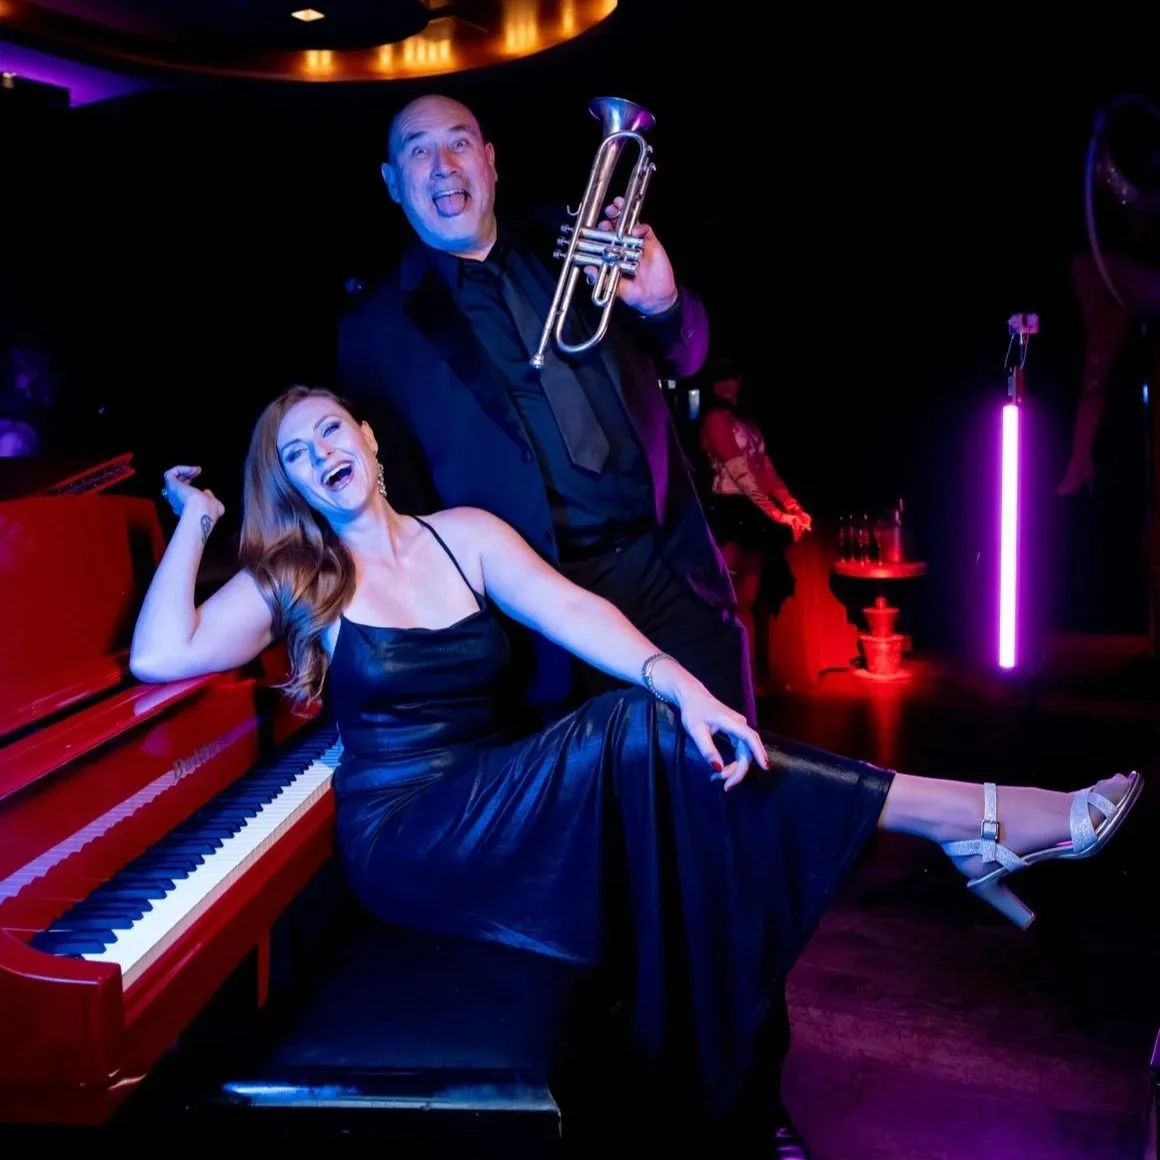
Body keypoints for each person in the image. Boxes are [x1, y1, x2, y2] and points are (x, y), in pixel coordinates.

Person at [129, 386, 1141, 1156]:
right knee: (634, 730)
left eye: (330, 431)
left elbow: (576, 613)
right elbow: (159, 653)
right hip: (408, 837)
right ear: (296, 484)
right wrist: (197, 522)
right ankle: (976, 818)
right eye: (297, 455)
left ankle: (946, 849)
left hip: (493, 791)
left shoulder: (464, 535)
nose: (321, 455)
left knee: (684, 779)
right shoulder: (299, 578)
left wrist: (687, 688)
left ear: (369, 437)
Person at [335, 94, 746, 722]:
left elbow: (686, 358)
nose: (444, 164)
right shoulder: (375, 332)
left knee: (733, 789)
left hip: (668, 572)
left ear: (491, 162)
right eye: (419, 151)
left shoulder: (573, 244)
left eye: (460, 142)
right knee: (606, 815)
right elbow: (404, 512)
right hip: (539, 623)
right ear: (394, 183)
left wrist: (663, 306)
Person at [699, 366, 812, 693]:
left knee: (746, 601)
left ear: (740, 380)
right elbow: (739, 475)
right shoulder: (715, 418)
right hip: (728, 510)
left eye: (730, 376)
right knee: (723, 600)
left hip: (751, 512)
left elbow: (766, 471)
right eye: (718, 378)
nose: (724, 383)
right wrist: (779, 516)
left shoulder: (747, 423)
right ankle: (719, 681)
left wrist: (793, 507)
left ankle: (745, 681)